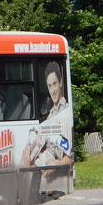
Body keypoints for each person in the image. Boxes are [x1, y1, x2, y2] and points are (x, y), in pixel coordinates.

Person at [21, 61, 74, 194]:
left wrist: (55, 164)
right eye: (49, 86)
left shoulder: (65, 112)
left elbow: (70, 158)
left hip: (55, 177)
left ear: (60, 82)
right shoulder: (50, 113)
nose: (53, 90)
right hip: (42, 174)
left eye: (55, 84)